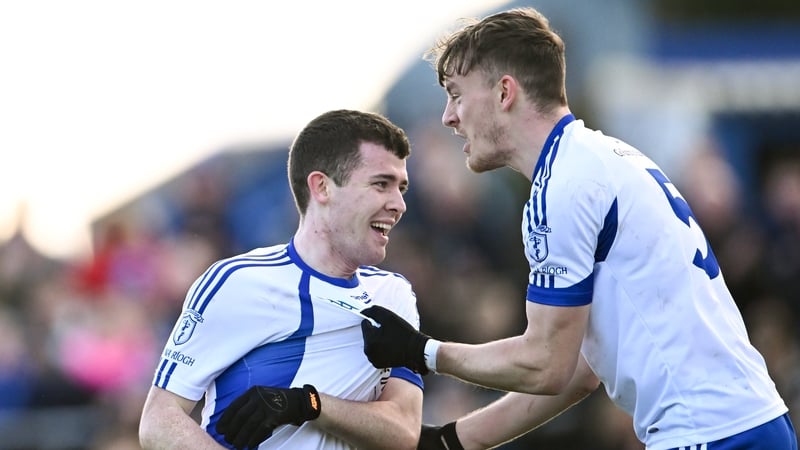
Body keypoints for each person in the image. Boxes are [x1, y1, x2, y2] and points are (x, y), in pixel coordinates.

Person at [359, 7, 798, 450]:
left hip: (710, 434)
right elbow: (578, 371)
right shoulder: (599, 157)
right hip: (751, 423)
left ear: (504, 92)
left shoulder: (563, 185)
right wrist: (455, 439)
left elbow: (544, 363)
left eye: (456, 94)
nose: (448, 117)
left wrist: (424, 352)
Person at [139, 109, 424, 450]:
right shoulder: (237, 282)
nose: (399, 204)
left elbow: (404, 430)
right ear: (322, 187)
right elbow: (159, 420)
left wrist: (310, 404)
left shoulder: (394, 296)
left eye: (401, 187)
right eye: (381, 184)